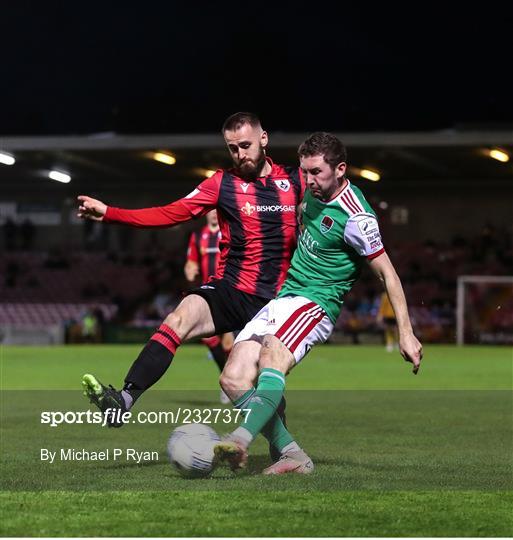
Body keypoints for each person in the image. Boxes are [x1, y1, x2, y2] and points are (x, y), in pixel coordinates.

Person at [77, 112, 303, 461]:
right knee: (178, 318)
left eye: (245, 145)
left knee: (252, 384)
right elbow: (170, 213)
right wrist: (110, 212)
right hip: (230, 289)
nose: (240, 154)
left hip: (276, 303)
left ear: (264, 139)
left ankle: (283, 445)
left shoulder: (295, 180)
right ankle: (123, 399)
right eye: (232, 148)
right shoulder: (221, 184)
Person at [214, 132, 423, 475]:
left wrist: (406, 333)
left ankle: (239, 440)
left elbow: (388, 275)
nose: (308, 180)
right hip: (285, 297)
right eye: (304, 172)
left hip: (316, 304)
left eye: (315, 173)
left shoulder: (357, 217)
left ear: (340, 169)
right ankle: (292, 455)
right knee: (233, 378)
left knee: (272, 356)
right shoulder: (311, 193)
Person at [184, 209, 234, 403]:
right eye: (211, 210)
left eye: (217, 210)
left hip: (228, 293)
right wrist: (190, 270)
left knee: (228, 343)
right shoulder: (198, 236)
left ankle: (232, 382)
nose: (214, 214)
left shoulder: (229, 232)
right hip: (207, 294)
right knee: (210, 340)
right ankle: (229, 380)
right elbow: (191, 262)